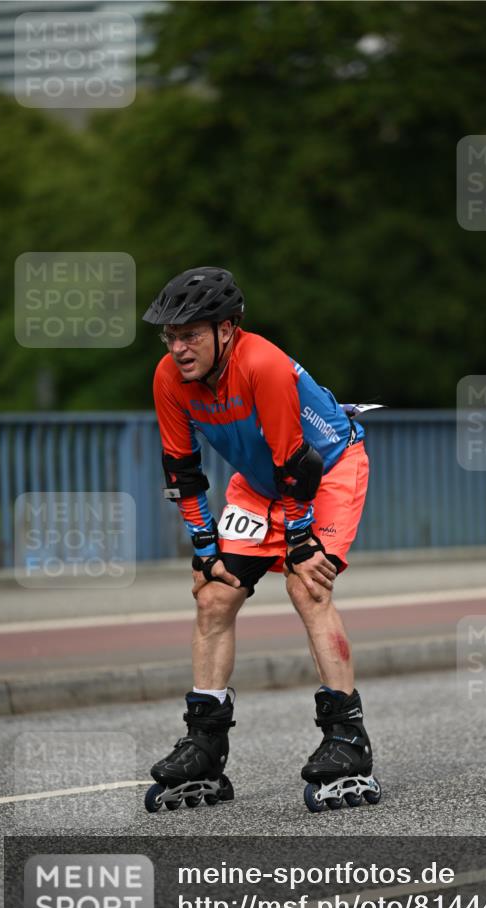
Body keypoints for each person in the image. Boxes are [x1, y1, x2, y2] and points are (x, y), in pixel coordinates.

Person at [142, 267, 381, 813]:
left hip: (328, 470)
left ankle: (347, 740)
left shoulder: (264, 364)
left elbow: (300, 466)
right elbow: (182, 471)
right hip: (259, 482)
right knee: (213, 593)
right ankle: (205, 742)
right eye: (171, 337)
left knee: (307, 585)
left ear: (226, 330)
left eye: (191, 335)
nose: (179, 348)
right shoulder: (168, 378)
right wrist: (203, 546)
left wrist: (300, 539)